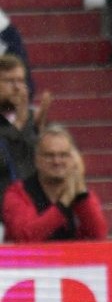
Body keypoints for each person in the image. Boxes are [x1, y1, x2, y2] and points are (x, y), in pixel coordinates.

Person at [2, 127, 108, 242]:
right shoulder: (17, 193)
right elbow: (25, 238)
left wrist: (81, 190)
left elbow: (99, 236)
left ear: (73, 159)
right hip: (32, 259)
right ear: (37, 159)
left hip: (70, 258)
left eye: (63, 155)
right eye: (49, 155)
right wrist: (64, 202)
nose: (57, 161)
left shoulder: (82, 194)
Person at [0, 55, 47, 198]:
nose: (16, 87)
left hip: (32, 208)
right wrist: (18, 126)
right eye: (9, 81)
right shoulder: (23, 120)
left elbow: (40, 165)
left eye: (20, 81)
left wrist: (38, 130)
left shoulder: (33, 118)